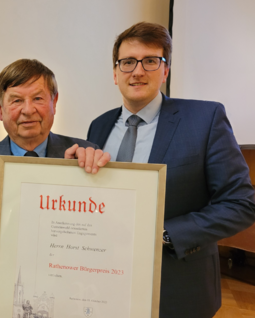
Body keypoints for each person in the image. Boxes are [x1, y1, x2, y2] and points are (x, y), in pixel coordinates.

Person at [85, 22, 255, 318]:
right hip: (107, 285)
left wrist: (164, 234)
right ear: (115, 74)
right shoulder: (97, 126)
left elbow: (241, 204)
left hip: (179, 288)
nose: (137, 71)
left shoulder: (205, 118)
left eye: (150, 61)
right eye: (127, 62)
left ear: (165, 71)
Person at [0, 58, 109, 318]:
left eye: (38, 99)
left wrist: (95, 178)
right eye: (17, 100)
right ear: (0, 108)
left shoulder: (85, 157)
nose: (28, 110)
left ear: (54, 101)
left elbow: (102, 243)